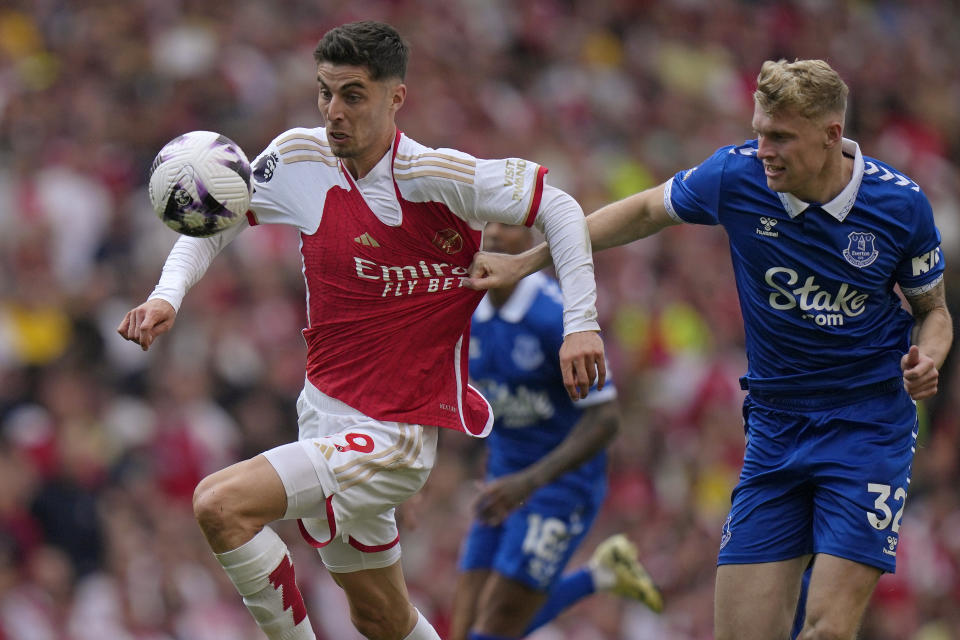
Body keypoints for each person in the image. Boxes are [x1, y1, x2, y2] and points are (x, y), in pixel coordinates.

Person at [117, 21, 607, 640]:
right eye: (325, 93)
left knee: (220, 504)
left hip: (394, 434)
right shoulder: (299, 158)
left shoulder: (437, 176)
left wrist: (580, 323)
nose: (333, 112)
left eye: (353, 95)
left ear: (394, 98)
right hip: (323, 414)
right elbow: (221, 218)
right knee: (380, 617)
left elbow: (558, 207)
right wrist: (168, 296)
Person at [467, 58, 953, 640]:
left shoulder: (900, 206)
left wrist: (930, 356)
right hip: (775, 430)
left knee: (827, 629)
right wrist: (529, 258)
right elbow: (646, 210)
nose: (764, 149)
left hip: (867, 428)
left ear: (830, 136)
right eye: (759, 132)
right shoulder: (737, 176)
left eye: (780, 137)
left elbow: (934, 312)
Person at [449, 223, 663, 640]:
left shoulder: (556, 317)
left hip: (560, 486)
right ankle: (602, 574)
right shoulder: (465, 309)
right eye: (486, 223)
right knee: (461, 627)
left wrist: (529, 481)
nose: (492, 234)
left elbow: (606, 420)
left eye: (507, 225)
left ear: (533, 240)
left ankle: (597, 577)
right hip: (502, 480)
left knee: (496, 625)